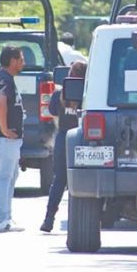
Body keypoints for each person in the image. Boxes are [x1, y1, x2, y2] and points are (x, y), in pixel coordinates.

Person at [40, 60, 87, 232]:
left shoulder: (59, 93)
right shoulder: (88, 94)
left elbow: (51, 111)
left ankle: (49, 218)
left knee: (59, 180)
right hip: (83, 139)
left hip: (63, 138)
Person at [0, 46, 26, 232]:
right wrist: (4, 130)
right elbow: (0, 101)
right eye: (21, 59)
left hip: (8, 141)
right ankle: (1, 219)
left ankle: (7, 218)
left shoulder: (4, 78)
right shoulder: (4, 80)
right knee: (4, 177)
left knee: (12, 176)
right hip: (5, 140)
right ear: (12, 61)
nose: (23, 63)